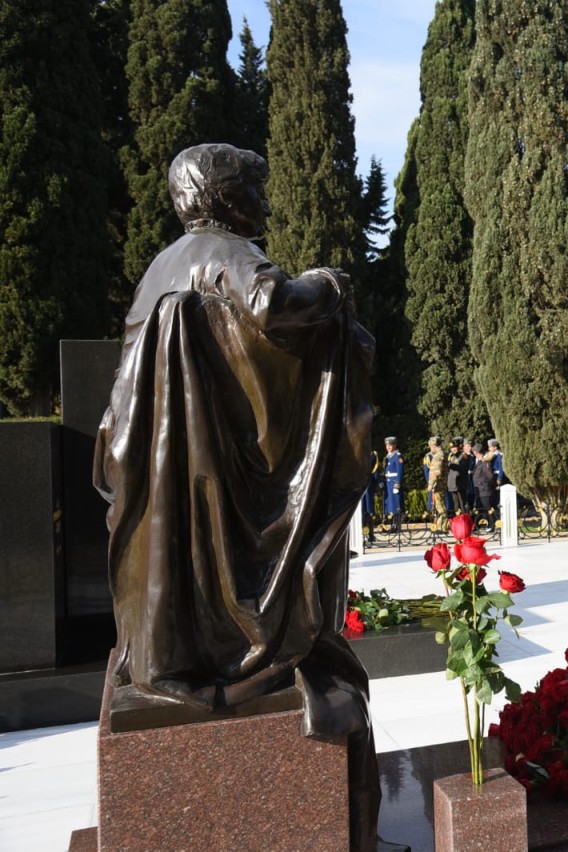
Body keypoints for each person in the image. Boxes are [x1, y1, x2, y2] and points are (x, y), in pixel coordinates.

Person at [92, 143, 381, 849]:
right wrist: (329, 286)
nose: (266, 202)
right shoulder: (226, 251)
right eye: (255, 187)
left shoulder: (162, 264)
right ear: (224, 198)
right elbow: (273, 306)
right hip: (205, 476)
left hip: (163, 477)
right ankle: (241, 642)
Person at [472, 442, 499, 525]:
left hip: (484, 489)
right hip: (479, 489)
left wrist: (486, 484)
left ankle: (493, 525)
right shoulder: (480, 461)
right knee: (480, 508)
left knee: (488, 508)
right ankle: (479, 525)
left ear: (476, 452)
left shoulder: (485, 462)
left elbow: (490, 476)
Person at [384, 437, 403, 532]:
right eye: (387, 445)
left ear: (395, 445)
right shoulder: (388, 457)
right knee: (390, 506)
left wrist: (397, 484)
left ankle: (397, 526)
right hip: (388, 483)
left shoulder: (397, 456)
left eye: (390, 445)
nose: (388, 447)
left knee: (396, 505)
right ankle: (392, 525)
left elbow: (400, 471)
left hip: (394, 483)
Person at [425, 436, 446, 519]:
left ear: (433, 445)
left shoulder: (437, 456)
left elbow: (436, 472)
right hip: (441, 483)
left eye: (430, 447)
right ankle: (441, 525)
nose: (430, 449)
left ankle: (442, 526)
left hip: (438, 484)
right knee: (440, 505)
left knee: (439, 507)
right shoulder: (442, 453)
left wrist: (430, 484)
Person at [362, 449, 380, 546]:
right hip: (366, 487)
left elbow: (376, 473)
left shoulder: (372, 454)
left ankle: (369, 535)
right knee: (366, 512)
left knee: (368, 512)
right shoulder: (371, 454)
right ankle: (368, 535)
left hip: (364, 487)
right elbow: (376, 474)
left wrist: (374, 486)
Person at [446, 437, 465, 516]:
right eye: (452, 448)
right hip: (452, 484)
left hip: (459, 483)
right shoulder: (450, 456)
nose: (453, 449)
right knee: (455, 504)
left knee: (462, 504)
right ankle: (458, 521)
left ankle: (464, 520)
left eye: (455, 447)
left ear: (458, 447)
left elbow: (461, 468)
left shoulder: (462, 456)